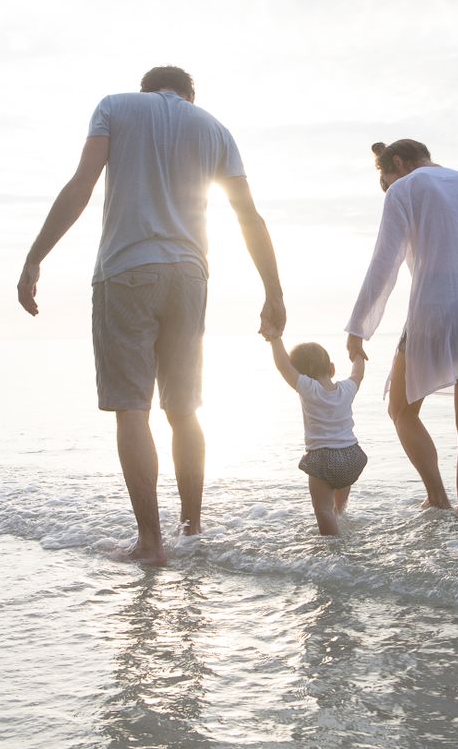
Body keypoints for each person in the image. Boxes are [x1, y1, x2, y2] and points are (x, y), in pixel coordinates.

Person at [17, 66, 285, 566]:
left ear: (147, 89)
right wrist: (274, 291)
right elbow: (248, 215)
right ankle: (192, 529)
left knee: (132, 408)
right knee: (184, 410)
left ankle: (151, 543)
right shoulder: (215, 128)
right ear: (188, 94)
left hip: (126, 271)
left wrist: (36, 257)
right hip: (189, 276)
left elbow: (82, 184)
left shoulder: (115, 107)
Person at [345, 139, 458, 513]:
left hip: (435, 309)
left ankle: (438, 498)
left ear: (398, 163)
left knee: (401, 410)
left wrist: (358, 327)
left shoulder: (404, 191)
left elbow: (384, 263)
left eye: (388, 180)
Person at [267, 336, 367, 535]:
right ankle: (341, 521)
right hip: (351, 456)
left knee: (323, 510)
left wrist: (275, 339)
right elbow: (358, 373)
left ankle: (333, 548)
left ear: (301, 374)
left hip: (323, 459)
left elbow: (283, 366)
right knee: (338, 508)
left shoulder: (308, 388)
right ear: (331, 369)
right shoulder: (347, 389)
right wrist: (357, 351)